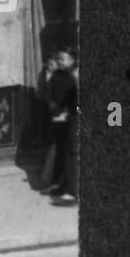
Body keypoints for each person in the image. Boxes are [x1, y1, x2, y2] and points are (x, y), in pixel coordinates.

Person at [43, 48, 78, 205]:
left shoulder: (75, 74)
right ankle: (66, 186)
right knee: (66, 152)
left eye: (62, 59)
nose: (59, 62)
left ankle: (73, 192)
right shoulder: (67, 75)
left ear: (72, 60)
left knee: (73, 153)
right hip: (71, 117)